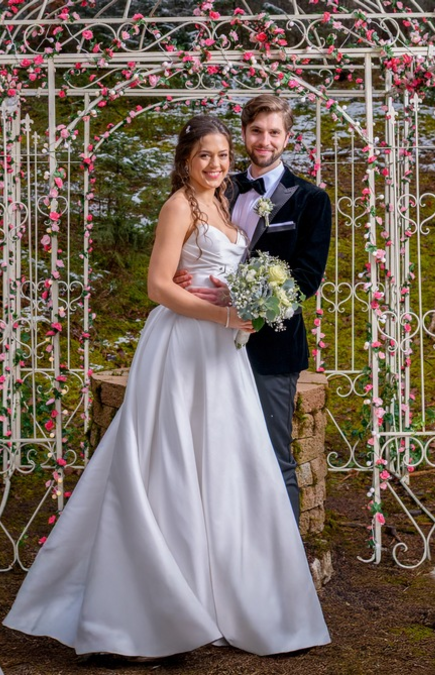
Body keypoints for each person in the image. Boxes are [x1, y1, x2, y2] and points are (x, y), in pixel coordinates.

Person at [3, 115, 330, 658]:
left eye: (222, 155)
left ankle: (214, 596)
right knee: (170, 460)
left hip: (222, 354)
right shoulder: (179, 205)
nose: (216, 164)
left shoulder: (224, 203)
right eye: (205, 155)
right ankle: (144, 608)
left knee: (220, 464)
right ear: (185, 159)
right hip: (184, 345)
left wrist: (235, 298)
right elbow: (158, 286)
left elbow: (229, 270)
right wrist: (222, 313)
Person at [175, 95, 333, 521]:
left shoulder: (310, 200)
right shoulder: (216, 186)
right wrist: (181, 274)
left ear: (288, 137)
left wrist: (242, 299)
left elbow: (305, 279)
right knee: (213, 453)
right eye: (257, 131)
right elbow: (185, 243)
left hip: (270, 348)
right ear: (244, 134)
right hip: (207, 341)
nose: (265, 141)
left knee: (273, 455)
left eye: (274, 132)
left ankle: (286, 556)